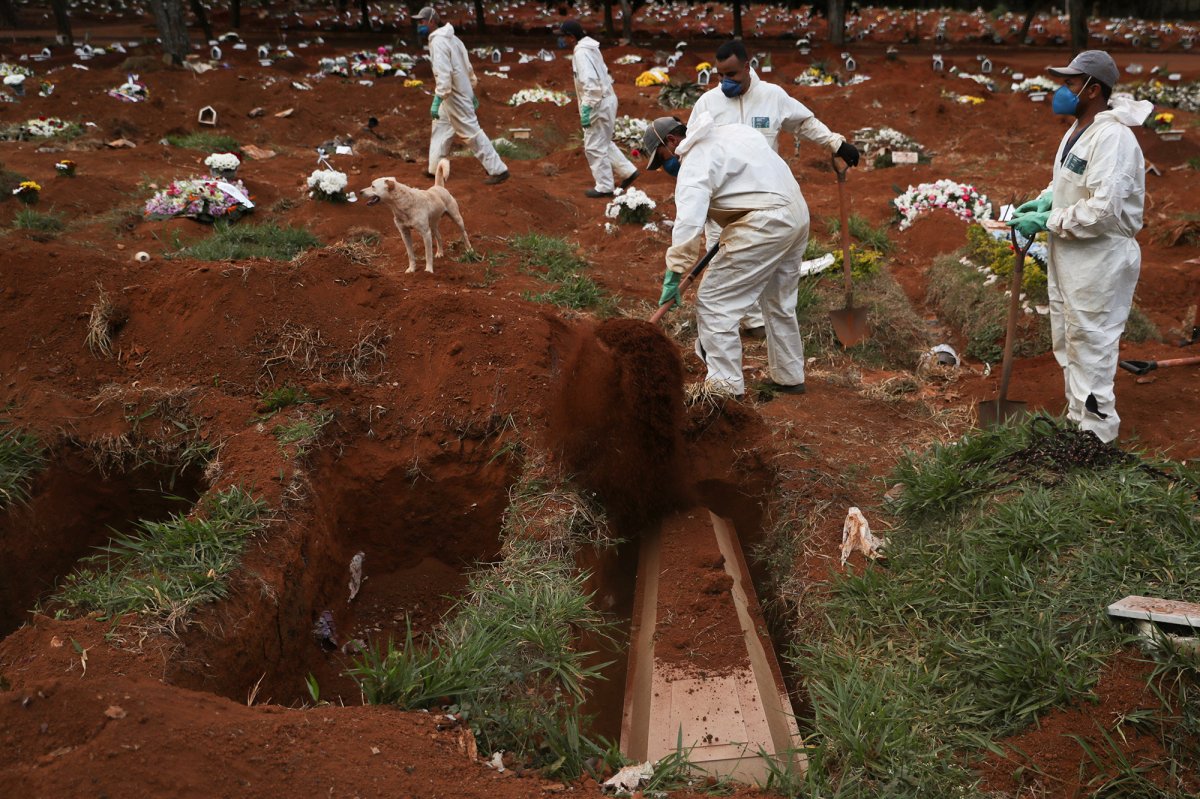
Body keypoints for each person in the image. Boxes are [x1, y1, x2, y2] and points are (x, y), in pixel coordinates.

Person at [1008, 50, 1151, 443]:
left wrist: (1049, 220)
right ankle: (1077, 425)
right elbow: (1071, 182)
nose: (1062, 90)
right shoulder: (1079, 131)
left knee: (1092, 343)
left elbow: (1104, 209)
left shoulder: (1114, 138)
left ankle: (1097, 438)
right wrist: (1046, 200)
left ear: (1093, 89)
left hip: (1100, 258)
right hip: (1073, 255)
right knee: (1070, 339)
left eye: (1070, 83)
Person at [691, 39, 858, 340]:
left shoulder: (772, 96)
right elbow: (693, 146)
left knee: (764, 260)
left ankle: (758, 320)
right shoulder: (708, 104)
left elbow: (803, 122)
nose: (725, 82)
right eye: (720, 76)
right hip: (723, 199)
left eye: (732, 75)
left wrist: (836, 142)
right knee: (721, 257)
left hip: (765, 197)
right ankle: (736, 320)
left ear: (747, 65)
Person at [643, 112, 809, 398]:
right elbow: (738, 190)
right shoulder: (731, 132)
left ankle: (725, 389)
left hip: (764, 222)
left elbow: (688, 225)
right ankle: (790, 376)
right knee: (779, 299)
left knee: (714, 302)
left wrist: (674, 273)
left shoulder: (693, 164)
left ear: (671, 140)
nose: (665, 166)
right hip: (796, 212)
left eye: (661, 158)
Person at [417, 6, 509, 185]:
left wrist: (438, 98)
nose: (419, 25)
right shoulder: (453, 38)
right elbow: (466, 65)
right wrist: (471, 87)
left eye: (422, 21)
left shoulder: (438, 42)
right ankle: (435, 168)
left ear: (432, 21)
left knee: (471, 133)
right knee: (441, 126)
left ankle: (499, 169)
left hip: (453, 95)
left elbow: (443, 73)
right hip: (457, 92)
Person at [559, 19, 639, 198]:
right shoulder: (591, 48)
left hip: (597, 102)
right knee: (603, 141)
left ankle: (604, 186)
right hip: (607, 98)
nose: (562, 41)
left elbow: (590, 84)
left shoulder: (581, 54)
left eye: (564, 37)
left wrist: (586, 108)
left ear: (571, 37)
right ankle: (627, 171)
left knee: (593, 147)